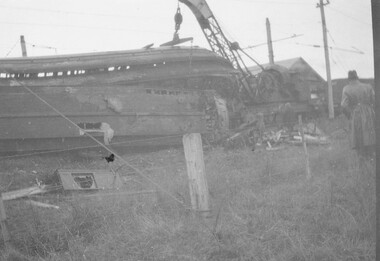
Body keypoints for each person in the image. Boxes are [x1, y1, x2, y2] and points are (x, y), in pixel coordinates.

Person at [341, 70, 375, 158]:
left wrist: (350, 115)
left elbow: (344, 105)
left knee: (359, 136)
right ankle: (371, 157)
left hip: (357, 114)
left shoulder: (346, 88)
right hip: (369, 113)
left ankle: (362, 159)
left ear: (349, 79)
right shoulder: (368, 86)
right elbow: (374, 100)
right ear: (357, 77)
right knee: (370, 134)